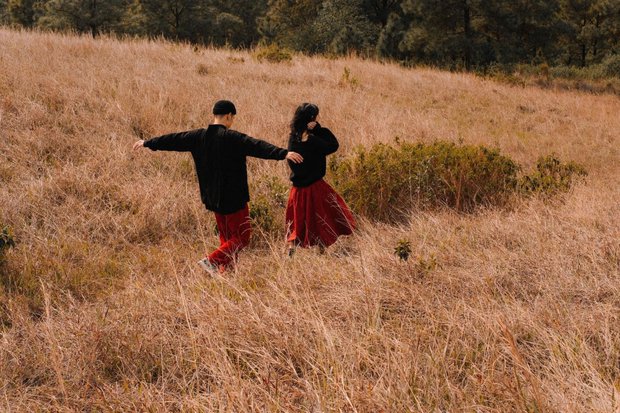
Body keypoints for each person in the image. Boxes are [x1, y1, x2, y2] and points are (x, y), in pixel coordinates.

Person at [132, 100, 303, 275]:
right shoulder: (232, 137)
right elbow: (257, 146)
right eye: (232, 118)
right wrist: (283, 153)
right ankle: (211, 261)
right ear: (228, 116)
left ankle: (225, 272)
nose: (232, 121)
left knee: (227, 238)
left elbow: (173, 140)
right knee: (242, 237)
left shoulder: (198, 136)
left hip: (212, 198)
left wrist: (148, 142)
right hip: (234, 197)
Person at [285, 103, 355, 256]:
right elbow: (333, 145)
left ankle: (291, 251)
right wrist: (318, 129)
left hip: (296, 190)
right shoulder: (313, 140)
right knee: (323, 219)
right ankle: (321, 252)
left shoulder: (293, 138)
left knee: (296, 222)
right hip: (315, 187)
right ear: (312, 119)